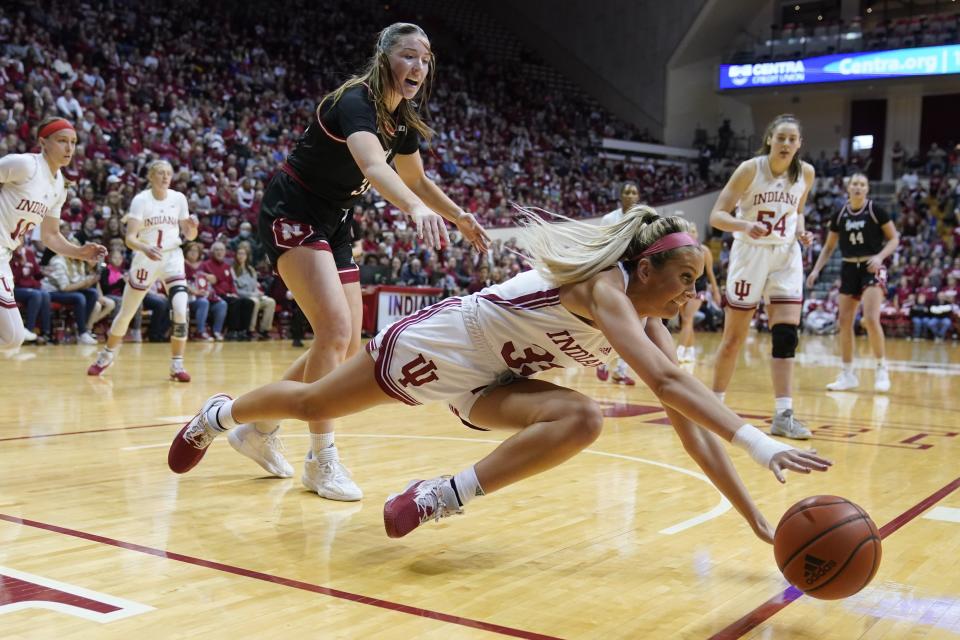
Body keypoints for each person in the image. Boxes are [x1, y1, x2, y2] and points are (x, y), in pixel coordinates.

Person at [169, 206, 831, 540]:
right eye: (685, 280)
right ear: (646, 269)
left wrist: (754, 521)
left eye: (698, 286)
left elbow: (688, 424)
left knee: (582, 417)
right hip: (452, 342)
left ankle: (440, 495)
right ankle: (218, 416)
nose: (692, 297)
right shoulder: (604, 286)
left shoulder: (644, 319)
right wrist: (758, 439)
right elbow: (669, 387)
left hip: (497, 387)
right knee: (315, 404)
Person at [221, 22, 490, 498]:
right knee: (335, 333)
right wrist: (412, 209)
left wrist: (457, 217)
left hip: (334, 221)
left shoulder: (400, 118)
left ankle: (257, 428)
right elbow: (372, 166)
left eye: (426, 60)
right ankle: (321, 458)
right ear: (385, 56)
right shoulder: (355, 101)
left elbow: (419, 180)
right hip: (294, 209)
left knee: (344, 344)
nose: (419, 67)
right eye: (409, 56)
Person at [709, 114, 815, 440]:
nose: (785, 144)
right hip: (749, 254)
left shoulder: (806, 173)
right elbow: (717, 216)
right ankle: (713, 408)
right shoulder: (750, 169)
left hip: (785, 255)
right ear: (770, 139)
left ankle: (783, 413)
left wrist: (801, 231)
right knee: (733, 339)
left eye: (791, 139)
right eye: (780, 137)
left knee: (786, 335)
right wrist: (743, 225)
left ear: (799, 144)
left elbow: (797, 211)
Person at [87, 160, 199, 381]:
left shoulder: (179, 198)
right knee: (126, 312)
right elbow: (129, 239)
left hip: (171, 256)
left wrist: (193, 227)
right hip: (145, 258)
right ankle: (107, 355)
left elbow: (190, 236)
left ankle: (177, 364)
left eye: (168, 173)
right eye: (160, 173)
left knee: (179, 308)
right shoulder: (141, 200)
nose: (165, 177)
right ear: (151, 176)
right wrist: (144, 247)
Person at [0, 117, 106, 349]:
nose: (69, 148)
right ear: (43, 142)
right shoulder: (25, 165)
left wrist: (79, 252)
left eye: (73, 142)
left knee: (12, 338)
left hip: (5, 255)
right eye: (61, 141)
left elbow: (50, 236)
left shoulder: (59, 186)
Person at [806, 173, 898, 391]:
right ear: (848, 188)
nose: (858, 187)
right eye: (854, 184)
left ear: (867, 189)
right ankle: (848, 374)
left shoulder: (876, 211)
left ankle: (881, 368)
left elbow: (894, 238)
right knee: (844, 322)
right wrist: (816, 270)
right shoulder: (839, 215)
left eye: (862, 184)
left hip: (871, 267)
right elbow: (829, 247)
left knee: (870, 318)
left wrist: (880, 257)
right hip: (848, 268)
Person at [596, 181, 639, 385]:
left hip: (634, 275)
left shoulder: (644, 220)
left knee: (631, 324)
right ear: (620, 196)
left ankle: (620, 371)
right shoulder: (609, 219)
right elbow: (601, 247)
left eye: (634, 192)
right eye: (627, 192)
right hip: (612, 272)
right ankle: (601, 361)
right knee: (607, 320)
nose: (631, 195)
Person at [677, 226, 721, 364]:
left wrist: (716, 291)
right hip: (684, 289)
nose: (692, 233)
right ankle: (690, 352)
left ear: (697, 234)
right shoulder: (682, 251)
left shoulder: (705, 250)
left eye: (694, 231)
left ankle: (679, 351)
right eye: (689, 231)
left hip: (699, 290)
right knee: (685, 320)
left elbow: (710, 273)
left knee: (688, 318)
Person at [233, 245, 275, 339]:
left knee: (270, 302)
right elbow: (235, 290)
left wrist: (259, 293)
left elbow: (254, 286)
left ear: (247, 256)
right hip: (242, 297)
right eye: (239, 253)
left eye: (243, 254)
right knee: (254, 302)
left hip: (254, 295)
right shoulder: (232, 270)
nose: (241, 256)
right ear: (235, 255)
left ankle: (264, 330)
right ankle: (250, 330)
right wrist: (254, 295)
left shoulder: (251, 270)